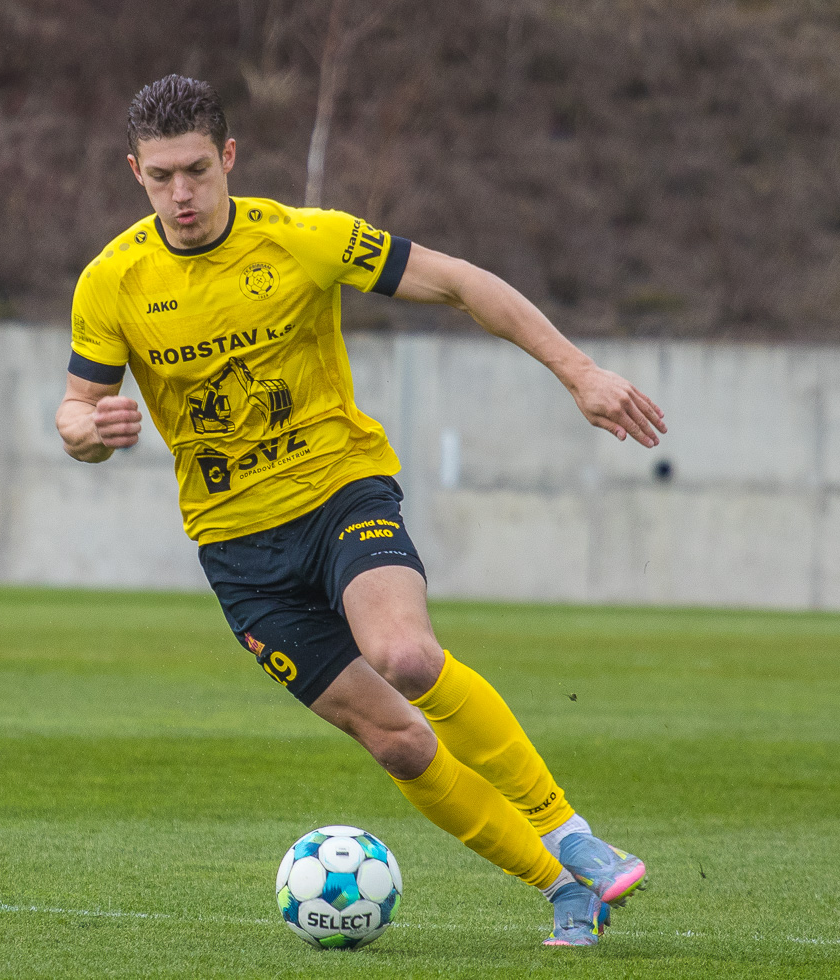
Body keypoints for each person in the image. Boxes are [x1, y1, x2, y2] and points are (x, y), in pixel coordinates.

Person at [55, 74, 666, 947]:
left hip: (342, 491)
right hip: (238, 551)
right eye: (161, 177)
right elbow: (76, 411)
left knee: (405, 654)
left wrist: (580, 372)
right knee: (399, 743)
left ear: (229, 157)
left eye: (196, 170)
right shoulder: (112, 281)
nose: (181, 194)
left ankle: (567, 831)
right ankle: (564, 888)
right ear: (135, 173)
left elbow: (459, 282)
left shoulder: (303, 239)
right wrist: (88, 432)